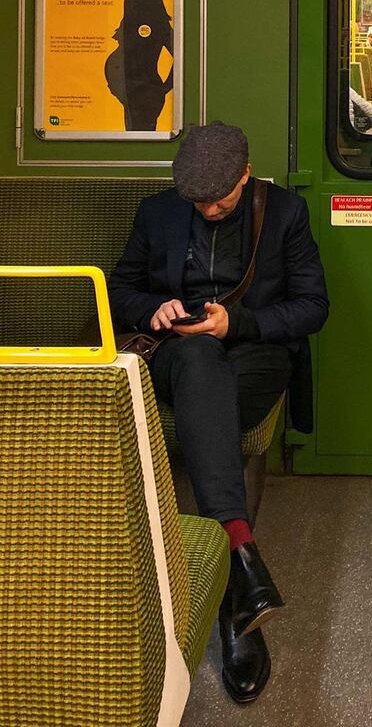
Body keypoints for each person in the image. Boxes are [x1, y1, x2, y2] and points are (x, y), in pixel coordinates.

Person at [108, 121, 328, 705]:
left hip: (255, 353)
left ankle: (233, 572)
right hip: (177, 356)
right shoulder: (157, 212)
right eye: (197, 201)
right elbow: (119, 290)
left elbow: (312, 307)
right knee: (200, 355)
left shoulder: (283, 213)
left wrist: (241, 322)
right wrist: (155, 308)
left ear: (246, 176)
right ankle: (242, 577)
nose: (208, 209)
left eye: (220, 200)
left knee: (213, 372)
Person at [104, 0, 174, 131]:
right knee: (132, 135)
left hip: (145, 94)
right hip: (132, 93)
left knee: (140, 136)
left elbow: (181, 57)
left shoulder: (157, 22)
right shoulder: (130, 18)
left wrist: (164, 88)